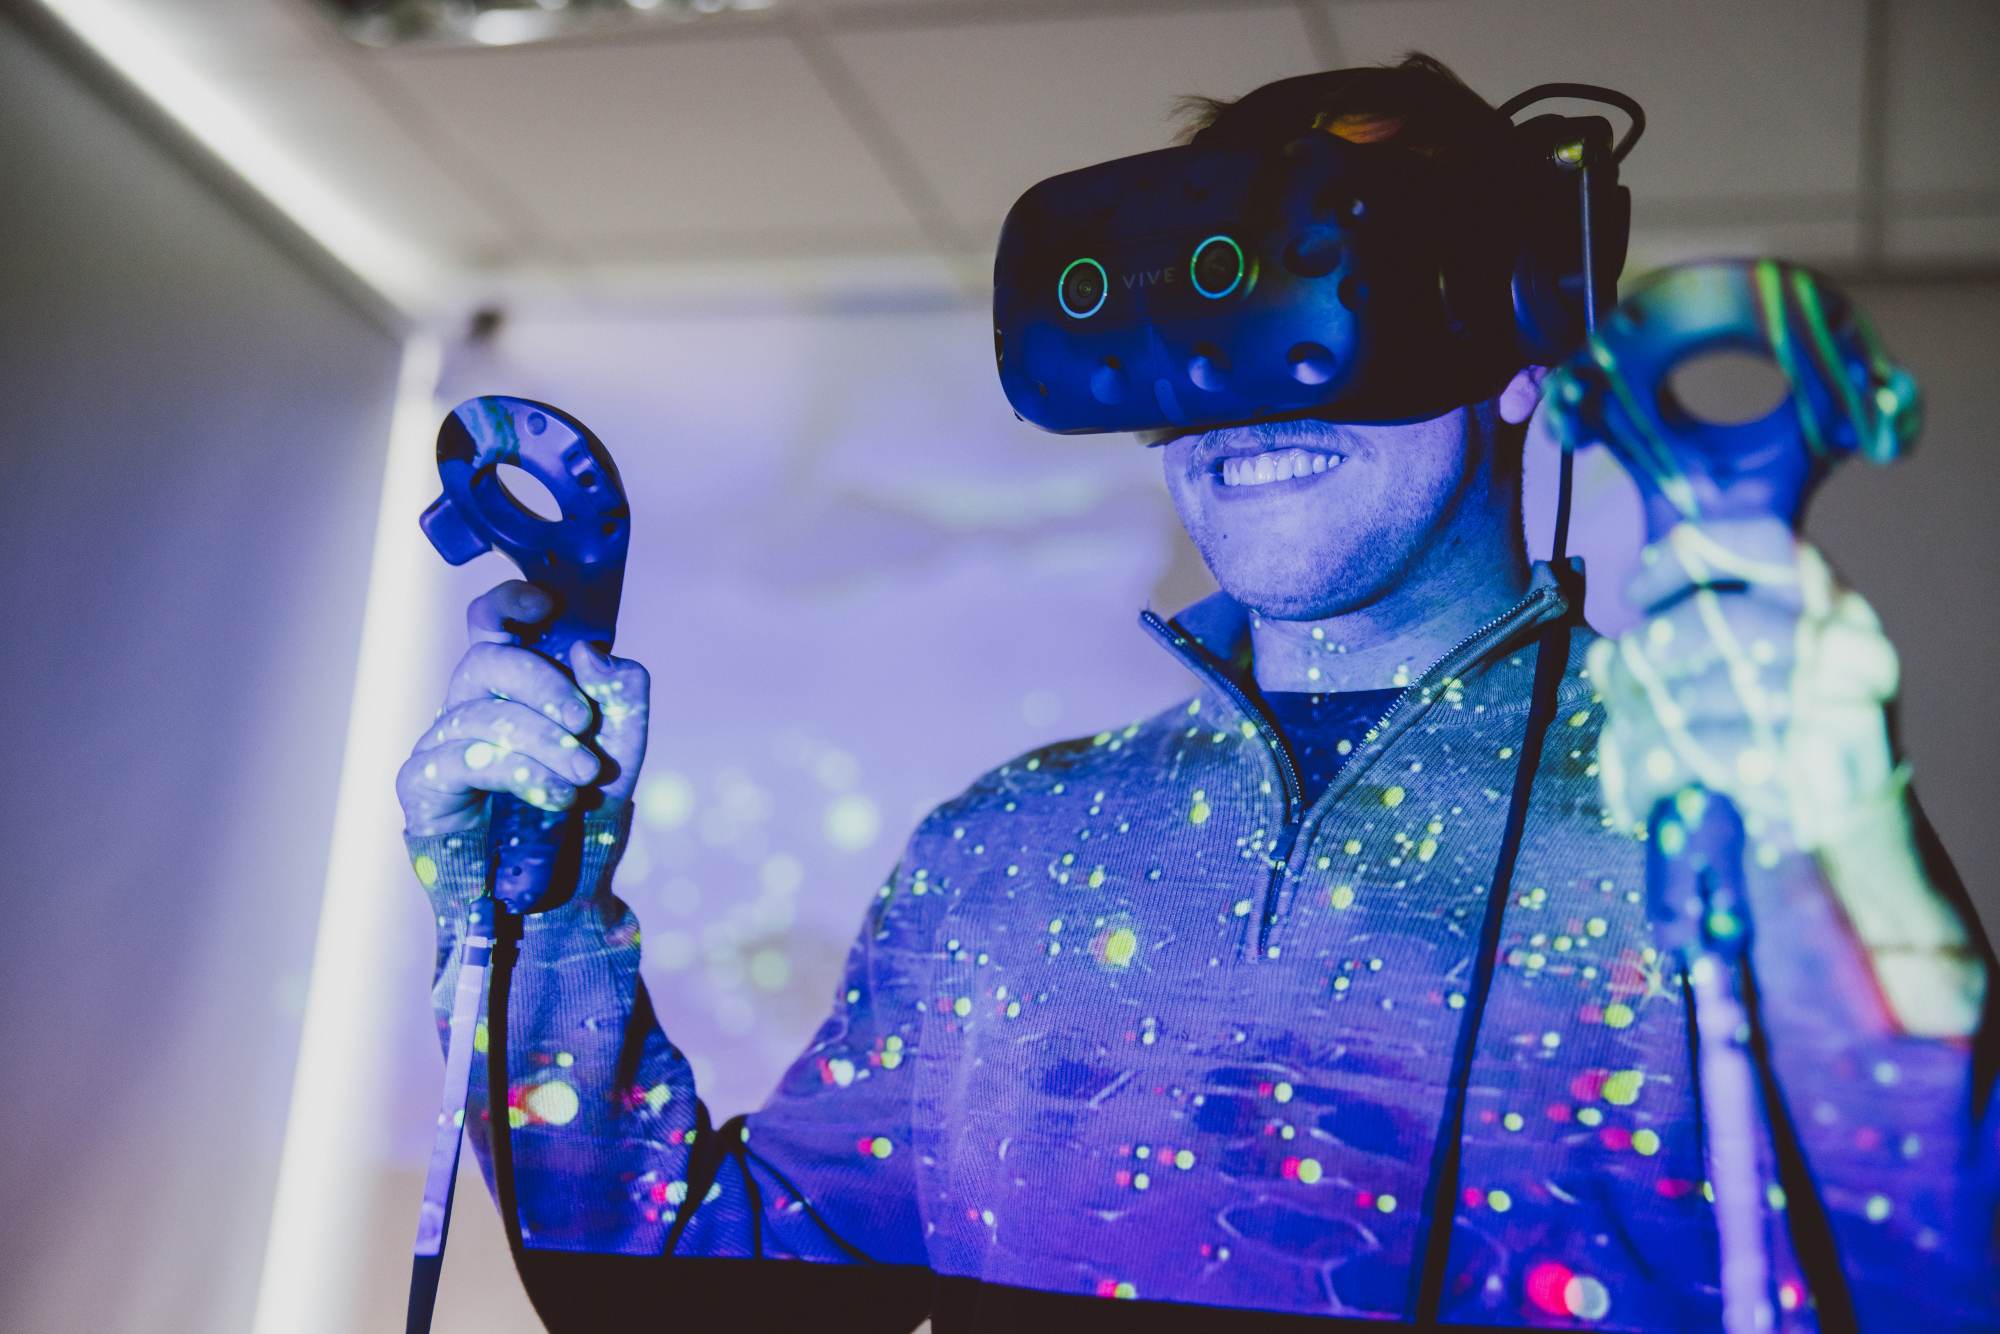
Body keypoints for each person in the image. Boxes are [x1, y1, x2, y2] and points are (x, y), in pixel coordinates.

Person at [396, 56, 1996, 1332]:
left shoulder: (1726, 811)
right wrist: (538, 927)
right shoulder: (1005, 853)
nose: (1238, 389)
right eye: (1193, 302)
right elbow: (685, 1291)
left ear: (1522, 334)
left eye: (1322, 275)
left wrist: (1849, 875)